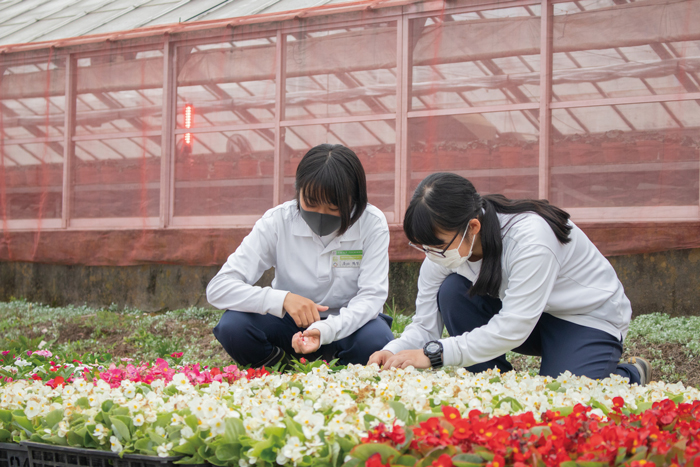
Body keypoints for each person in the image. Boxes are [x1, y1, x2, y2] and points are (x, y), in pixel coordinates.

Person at [368, 172, 651, 385]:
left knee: (562, 394)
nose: (431, 254)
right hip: (531, 319)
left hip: (585, 319)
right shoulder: (442, 253)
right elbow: (425, 326)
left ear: (473, 226)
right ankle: (494, 382)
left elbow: (514, 326)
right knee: (452, 292)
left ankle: (628, 374)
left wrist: (434, 354)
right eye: (423, 246)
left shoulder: (530, 239)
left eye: (437, 244)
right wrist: (392, 350)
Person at [208, 144, 394, 367]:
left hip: (348, 326)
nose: (321, 215)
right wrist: (282, 299)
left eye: (334, 207)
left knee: (376, 340)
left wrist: (324, 330)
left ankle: (342, 375)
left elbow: (371, 298)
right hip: (289, 325)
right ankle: (282, 368)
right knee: (233, 326)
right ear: (298, 191)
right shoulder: (278, 222)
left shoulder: (371, 224)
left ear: (354, 200)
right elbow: (219, 288)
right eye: (311, 203)